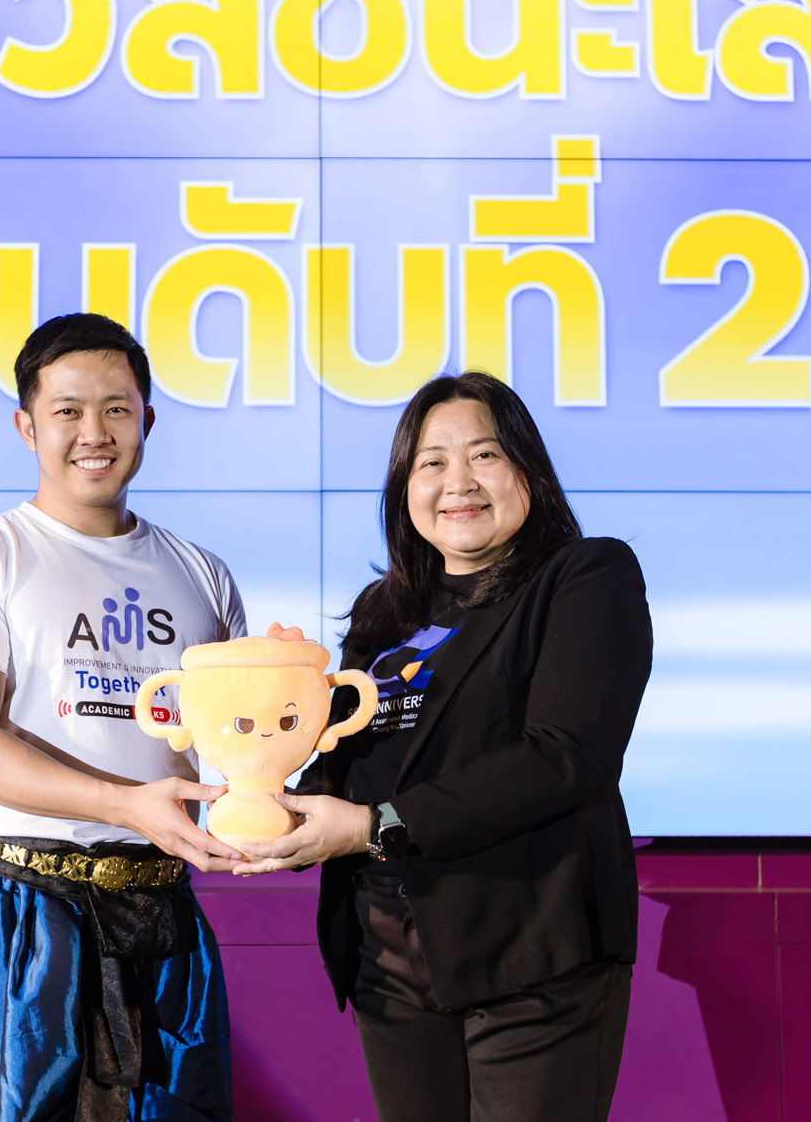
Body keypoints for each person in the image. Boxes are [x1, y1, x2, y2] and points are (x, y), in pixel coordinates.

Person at [234, 371, 654, 1122]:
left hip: (530, 952)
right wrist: (272, 780)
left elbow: (563, 756)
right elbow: (349, 763)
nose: (458, 481)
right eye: (432, 462)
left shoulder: (584, 576)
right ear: (405, 487)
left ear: (528, 470)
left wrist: (375, 827)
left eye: (484, 454)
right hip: (386, 954)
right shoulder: (383, 609)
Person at [0, 312, 243, 1122]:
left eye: (117, 409)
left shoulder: (203, 574)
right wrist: (125, 803)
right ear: (27, 426)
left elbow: (231, 748)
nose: (94, 432)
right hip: (9, 916)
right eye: (67, 411)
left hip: (159, 915)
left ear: (147, 419)